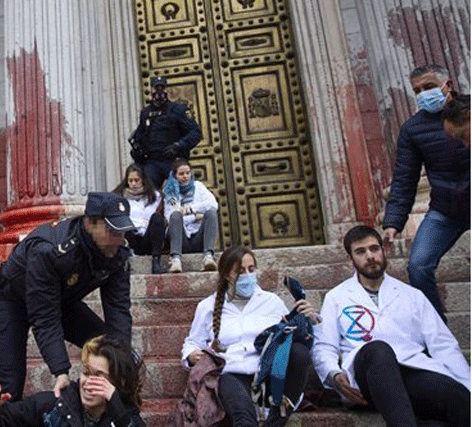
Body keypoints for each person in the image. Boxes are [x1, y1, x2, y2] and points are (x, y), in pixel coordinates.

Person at [312, 225, 470, 427]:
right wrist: (334, 374)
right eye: (361, 252)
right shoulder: (336, 297)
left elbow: (443, 345)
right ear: (350, 259)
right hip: (367, 375)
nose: (370, 256)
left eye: (374, 249)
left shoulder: (412, 295)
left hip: (411, 370)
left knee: (459, 398)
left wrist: (466, 383)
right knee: (379, 349)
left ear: (383, 251)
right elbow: (324, 346)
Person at [0, 192, 135, 401]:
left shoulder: (117, 252)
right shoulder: (50, 251)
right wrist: (61, 371)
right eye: (112, 231)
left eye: (122, 232)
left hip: (62, 301)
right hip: (12, 301)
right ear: (90, 223)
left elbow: (118, 309)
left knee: (111, 349)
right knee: (9, 387)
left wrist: (123, 363)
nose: (119, 239)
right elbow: (45, 317)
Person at [178, 246, 317, 427]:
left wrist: (309, 320)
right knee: (243, 417)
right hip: (232, 373)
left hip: (270, 375)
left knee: (299, 352)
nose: (248, 275)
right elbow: (193, 341)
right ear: (227, 274)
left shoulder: (271, 301)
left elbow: (294, 335)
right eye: (240, 271)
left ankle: (275, 421)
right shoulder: (208, 306)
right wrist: (190, 355)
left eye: (251, 270)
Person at [381, 64, 470, 323]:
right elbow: (405, 177)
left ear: (448, 85)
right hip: (445, 210)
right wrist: (393, 221)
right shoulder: (412, 129)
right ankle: (438, 331)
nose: (423, 94)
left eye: (429, 87)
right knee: (418, 266)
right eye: (417, 90)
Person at [0, 335, 145, 427]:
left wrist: (118, 410)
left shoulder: (126, 418)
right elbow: (1, 422)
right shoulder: (53, 406)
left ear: (117, 383)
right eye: (86, 372)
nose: (88, 382)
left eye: (99, 376)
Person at [130, 76, 202, 188]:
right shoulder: (146, 113)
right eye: (156, 88)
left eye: (162, 88)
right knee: (148, 194)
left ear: (167, 90)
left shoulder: (178, 110)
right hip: (152, 162)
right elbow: (140, 136)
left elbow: (195, 133)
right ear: (151, 91)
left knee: (178, 193)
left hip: (173, 160)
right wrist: (136, 151)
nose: (159, 92)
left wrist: (179, 146)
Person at [163, 158, 219, 272]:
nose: (185, 176)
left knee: (211, 214)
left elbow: (213, 204)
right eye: (181, 174)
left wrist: (190, 209)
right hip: (181, 238)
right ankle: (175, 259)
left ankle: (208, 257)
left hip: (198, 236)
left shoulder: (198, 186)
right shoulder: (171, 193)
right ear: (175, 175)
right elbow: (172, 215)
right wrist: (195, 216)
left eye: (187, 173)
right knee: (176, 215)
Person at [112, 164, 167, 274]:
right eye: (130, 180)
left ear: (143, 180)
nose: (133, 184)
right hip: (130, 238)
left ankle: (156, 261)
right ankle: (124, 261)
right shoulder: (119, 197)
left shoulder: (155, 196)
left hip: (148, 237)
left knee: (157, 218)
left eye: (136, 180)